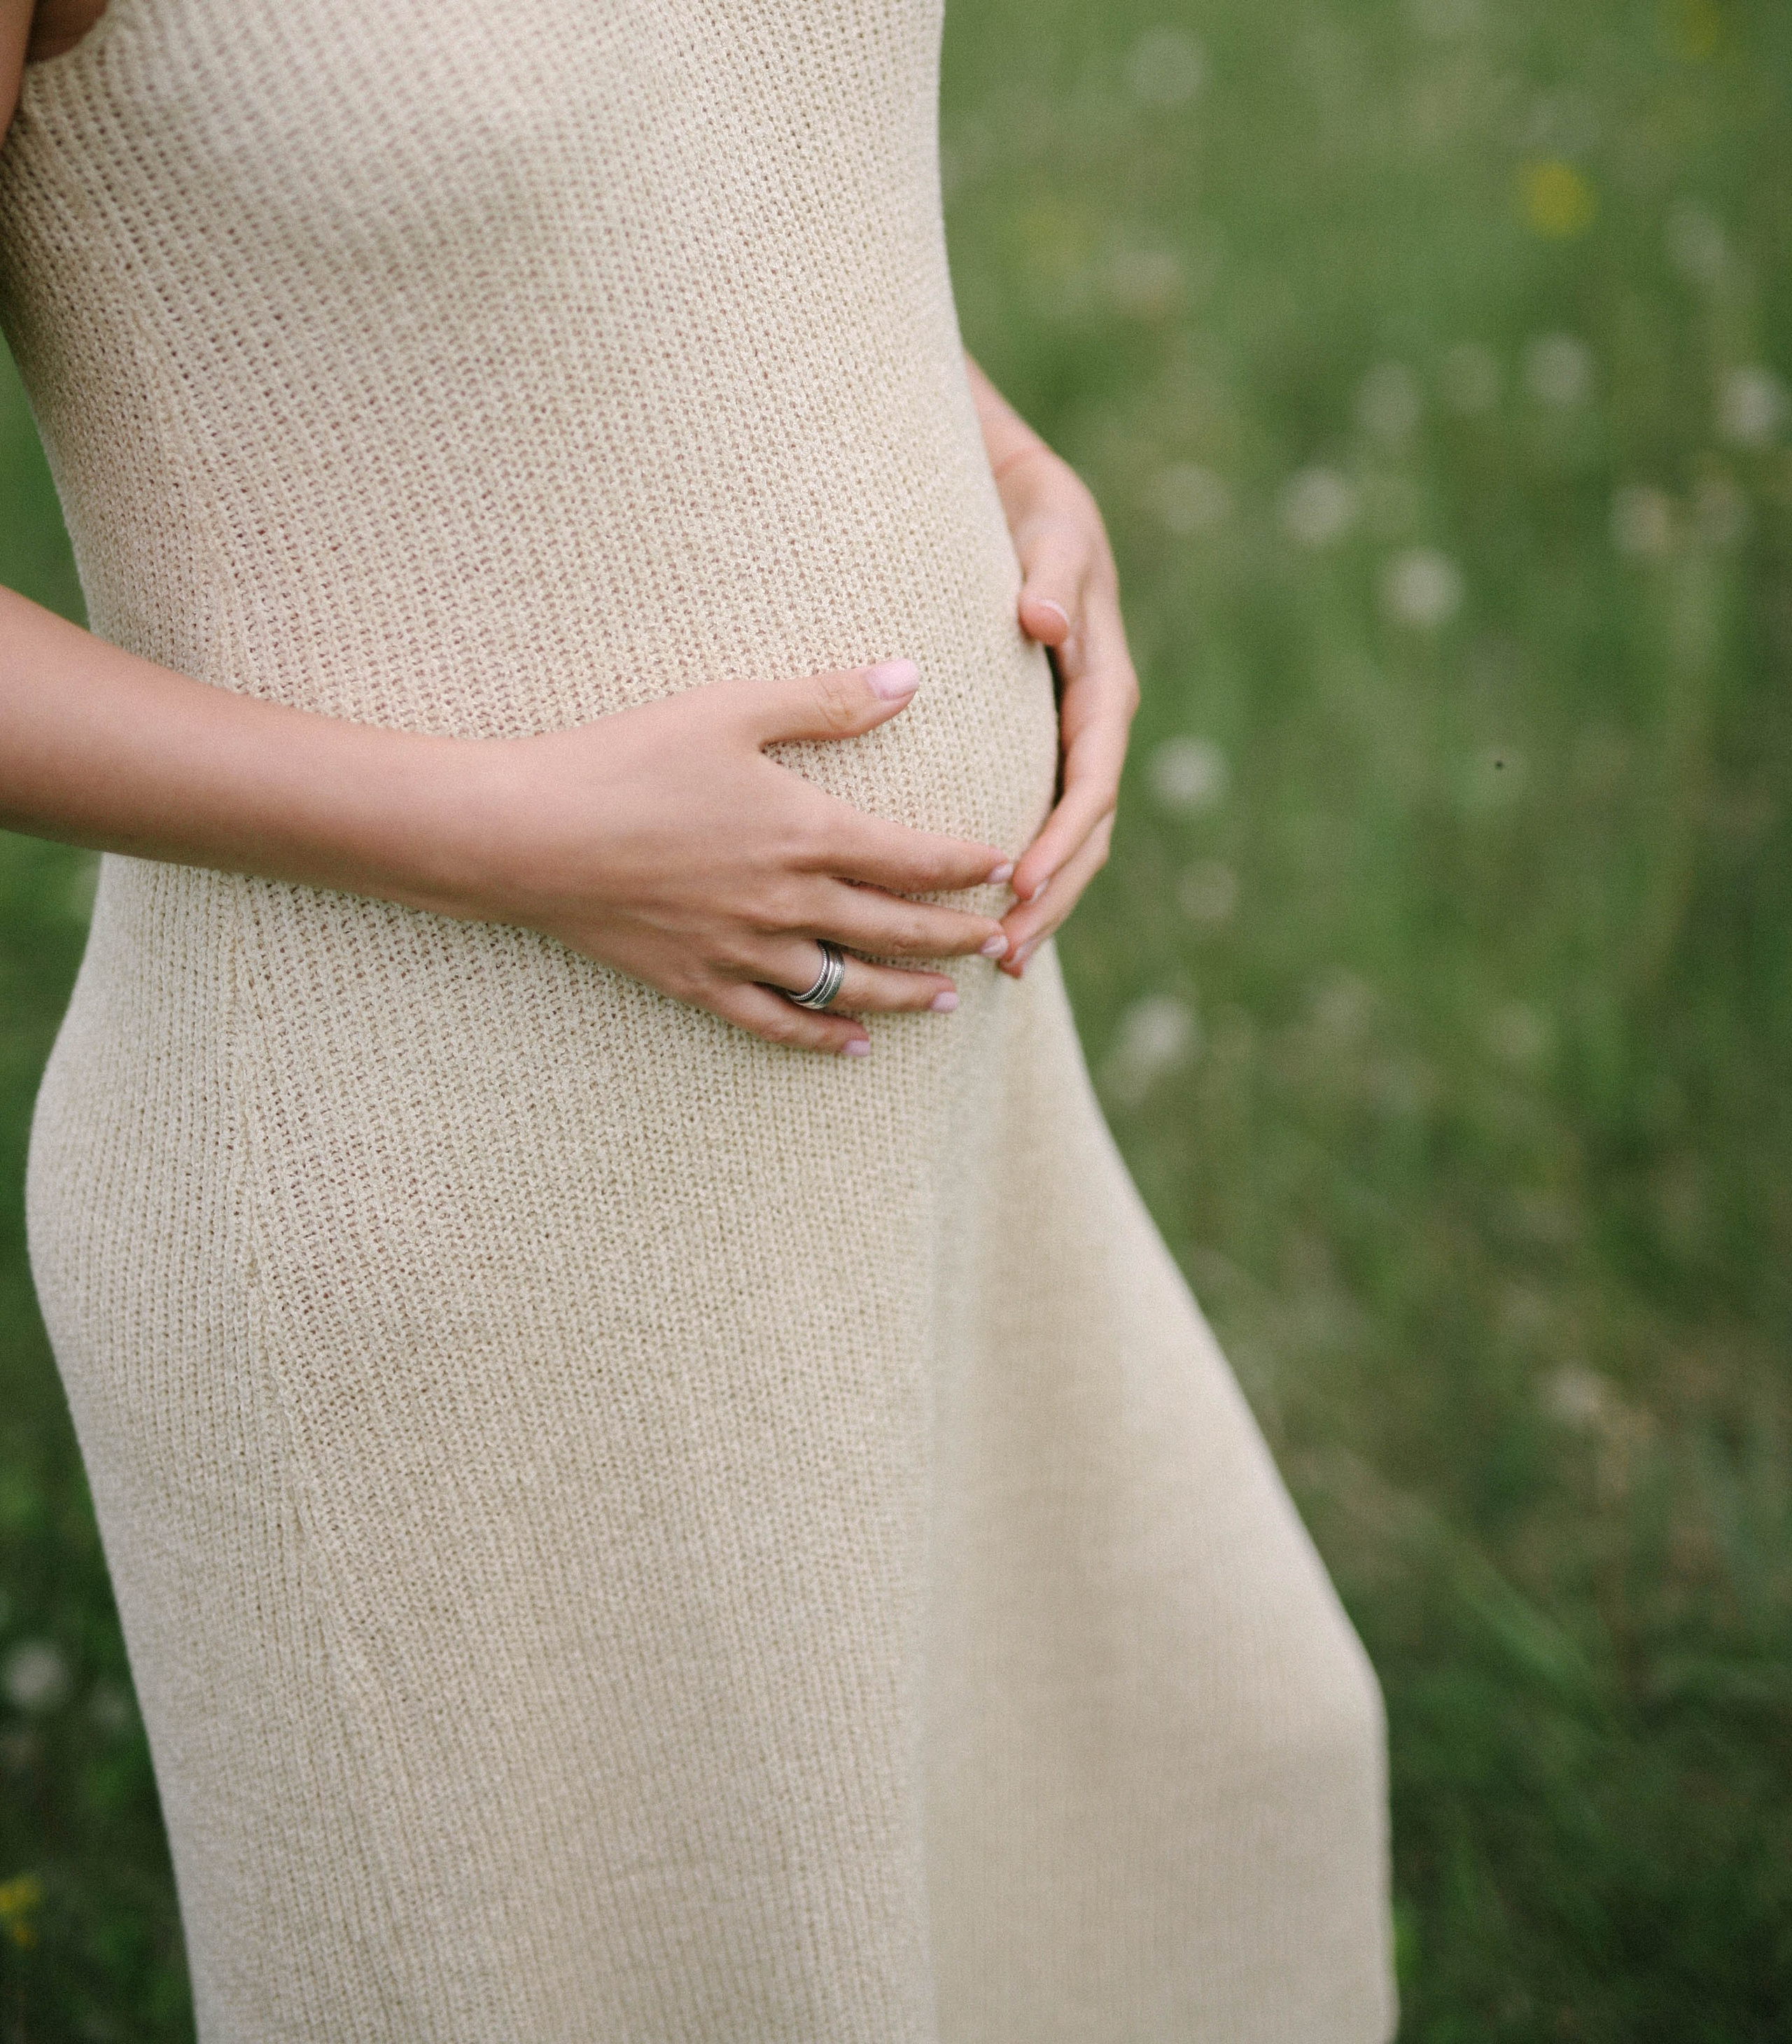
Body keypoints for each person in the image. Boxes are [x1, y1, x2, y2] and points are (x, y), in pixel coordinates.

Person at [0, 2, 1396, 2038]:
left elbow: (703, 150)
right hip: (436, 1206)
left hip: (923, 1118)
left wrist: (992, 450)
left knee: (1196, 1817)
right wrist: (525, 835)